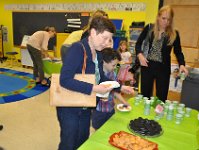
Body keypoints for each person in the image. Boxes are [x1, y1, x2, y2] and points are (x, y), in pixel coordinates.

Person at [57, 16, 134, 150]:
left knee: (82, 141)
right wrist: (94, 88)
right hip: (70, 108)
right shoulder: (78, 49)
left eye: (109, 39)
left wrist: (120, 86)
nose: (106, 43)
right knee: (68, 144)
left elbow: (102, 77)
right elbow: (64, 79)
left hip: (86, 106)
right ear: (93, 32)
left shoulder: (98, 53)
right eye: (104, 38)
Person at [135, 5, 188, 102]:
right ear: (158, 17)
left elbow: (178, 51)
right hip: (147, 66)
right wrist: (140, 55)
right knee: (145, 97)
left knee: (161, 98)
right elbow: (138, 44)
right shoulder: (149, 28)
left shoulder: (174, 33)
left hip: (163, 69)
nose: (166, 22)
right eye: (163, 18)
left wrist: (182, 65)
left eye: (169, 20)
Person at [92, 48, 130, 130]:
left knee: (109, 129)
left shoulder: (113, 73)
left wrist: (124, 102)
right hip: (99, 111)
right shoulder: (96, 75)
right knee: (98, 131)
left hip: (110, 108)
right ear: (104, 62)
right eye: (113, 65)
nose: (115, 67)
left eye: (116, 65)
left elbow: (115, 90)